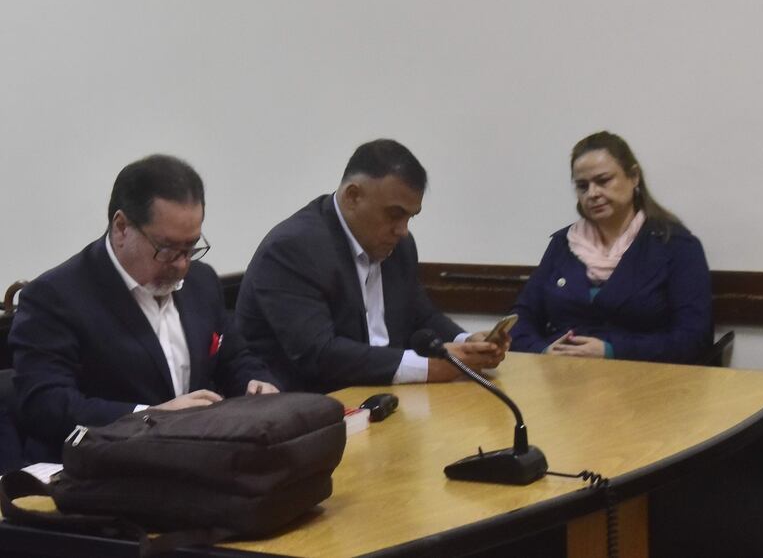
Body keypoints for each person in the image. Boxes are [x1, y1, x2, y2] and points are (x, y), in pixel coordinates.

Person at [9, 155, 278, 460]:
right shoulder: (55, 297)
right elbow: (45, 405)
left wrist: (255, 384)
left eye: (191, 248)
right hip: (103, 473)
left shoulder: (201, 282)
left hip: (201, 460)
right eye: (167, 249)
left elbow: (235, 358)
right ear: (122, 227)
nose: (181, 265)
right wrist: (150, 416)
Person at [235, 139, 509, 392]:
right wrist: (428, 367)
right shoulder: (293, 249)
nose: (402, 230)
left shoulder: (399, 246)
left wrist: (467, 343)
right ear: (353, 196)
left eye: (410, 217)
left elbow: (421, 317)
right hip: (306, 409)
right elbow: (319, 355)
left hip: (380, 397)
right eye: (394, 214)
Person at [509, 131, 712, 363]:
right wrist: (543, 350)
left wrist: (612, 350)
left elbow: (694, 339)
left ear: (634, 176)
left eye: (603, 181)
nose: (593, 193)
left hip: (645, 381)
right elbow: (520, 317)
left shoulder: (675, 245)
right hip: (562, 379)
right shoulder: (564, 243)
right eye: (582, 186)